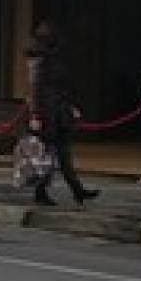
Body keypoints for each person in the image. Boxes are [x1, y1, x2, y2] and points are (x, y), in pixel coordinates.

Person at [26, 22, 101, 207]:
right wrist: (36, 115)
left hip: (58, 112)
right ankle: (47, 191)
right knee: (52, 156)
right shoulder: (41, 61)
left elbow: (60, 89)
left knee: (60, 155)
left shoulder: (51, 60)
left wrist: (70, 106)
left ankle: (76, 190)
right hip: (49, 114)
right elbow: (36, 90)